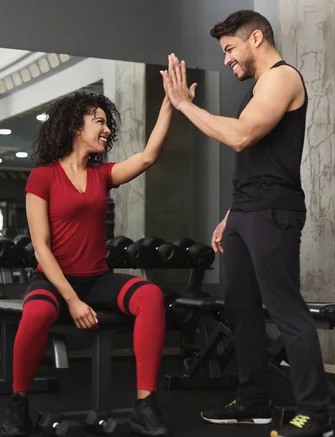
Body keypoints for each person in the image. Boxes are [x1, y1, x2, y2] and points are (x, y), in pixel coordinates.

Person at [161, 10, 332, 437]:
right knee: (240, 309)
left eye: (230, 49)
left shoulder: (281, 78)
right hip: (247, 210)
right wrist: (230, 215)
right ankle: (254, 401)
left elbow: (240, 136)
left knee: (285, 309)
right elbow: (256, 162)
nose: (227, 60)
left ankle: (317, 414)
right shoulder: (259, 87)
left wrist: (184, 105)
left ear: (256, 38)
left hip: (274, 211)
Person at [1, 85, 187, 437]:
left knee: (150, 297)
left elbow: (147, 157)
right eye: (98, 122)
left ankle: (145, 403)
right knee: (37, 313)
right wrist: (71, 300)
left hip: (98, 279)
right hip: (56, 281)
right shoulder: (42, 177)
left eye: (107, 124)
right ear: (75, 127)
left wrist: (169, 105)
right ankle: (18, 402)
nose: (107, 130)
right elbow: (41, 247)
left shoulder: (102, 176)